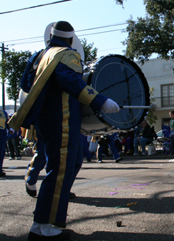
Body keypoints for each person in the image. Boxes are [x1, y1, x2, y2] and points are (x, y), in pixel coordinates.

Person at [8, 21, 120, 240]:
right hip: (63, 121)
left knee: (65, 166)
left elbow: (24, 85)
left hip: (45, 121)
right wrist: (100, 100)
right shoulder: (67, 55)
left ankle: (43, 223)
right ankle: (44, 226)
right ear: (71, 39)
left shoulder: (38, 56)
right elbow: (69, 81)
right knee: (59, 172)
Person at [0, 109, 9, 177]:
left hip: (2, 133)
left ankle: (0, 169)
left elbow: (7, 123)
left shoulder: (3, 112)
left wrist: (10, 129)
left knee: (1, 152)